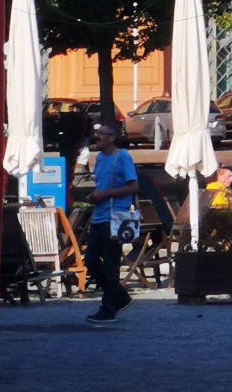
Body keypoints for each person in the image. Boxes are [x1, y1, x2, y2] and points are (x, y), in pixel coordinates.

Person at [84, 121, 139, 325]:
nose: (97, 136)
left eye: (101, 133)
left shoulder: (122, 157)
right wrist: (95, 196)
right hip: (99, 216)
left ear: (112, 138)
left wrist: (105, 194)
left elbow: (133, 187)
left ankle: (108, 308)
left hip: (116, 217)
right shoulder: (99, 158)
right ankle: (120, 296)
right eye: (96, 133)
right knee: (90, 259)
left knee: (111, 264)